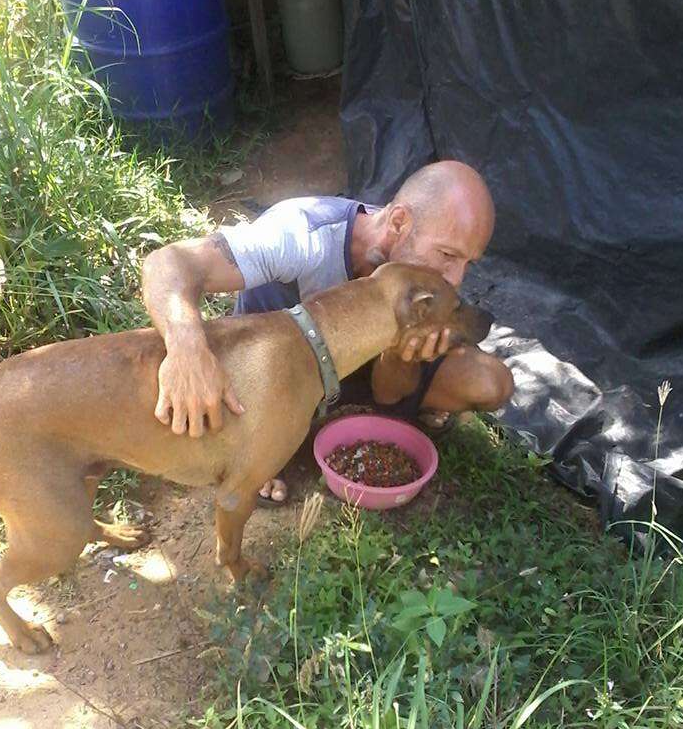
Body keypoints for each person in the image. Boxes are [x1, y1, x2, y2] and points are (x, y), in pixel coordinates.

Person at [142, 160, 514, 505]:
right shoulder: (303, 235)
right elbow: (168, 262)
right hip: (275, 372)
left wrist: (401, 354)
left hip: (350, 366)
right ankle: (259, 441)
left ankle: (345, 417)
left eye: (468, 262)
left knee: (488, 383)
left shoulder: (421, 286)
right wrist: (187, 350)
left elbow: (387, 392)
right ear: (399, 222)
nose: (456, 278)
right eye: (448, 255)